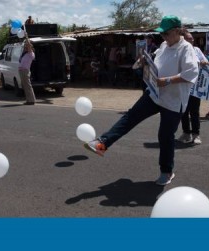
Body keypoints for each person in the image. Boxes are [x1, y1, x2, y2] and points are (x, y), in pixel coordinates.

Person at [84, 15, 199, 186]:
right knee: (131, 117)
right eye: (162, 34)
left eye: (166, 34)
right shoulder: (163, 46)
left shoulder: (186, 48)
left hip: (174, 101)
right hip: (154, 94)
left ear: (177, 31)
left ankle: (166, 172)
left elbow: (190, 73)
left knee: (165, 136)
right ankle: (102, 144)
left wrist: (166, 80)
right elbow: (155, 64)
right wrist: (144, 61)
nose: (163, 37)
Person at [178, 30, 208, 145]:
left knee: (194, 111)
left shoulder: (196, 50)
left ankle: (196, 134)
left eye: (192, 38)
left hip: (195, 86)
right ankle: (186, 133)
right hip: (182, 85)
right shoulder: (180, 51)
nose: (192, 40)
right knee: (183, 111)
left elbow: (205, 61)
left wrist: (203, 62)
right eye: (189, 38)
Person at [18, 33, 36, 105]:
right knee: (25, 86)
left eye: (27, 47)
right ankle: (29, 100)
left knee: (28, 86)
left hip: (25, 71)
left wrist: (26, 37)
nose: (26, 47)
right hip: (22, 71)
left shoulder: (31, 54)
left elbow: (28, 45)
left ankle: (31, 100)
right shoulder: (25, 54)